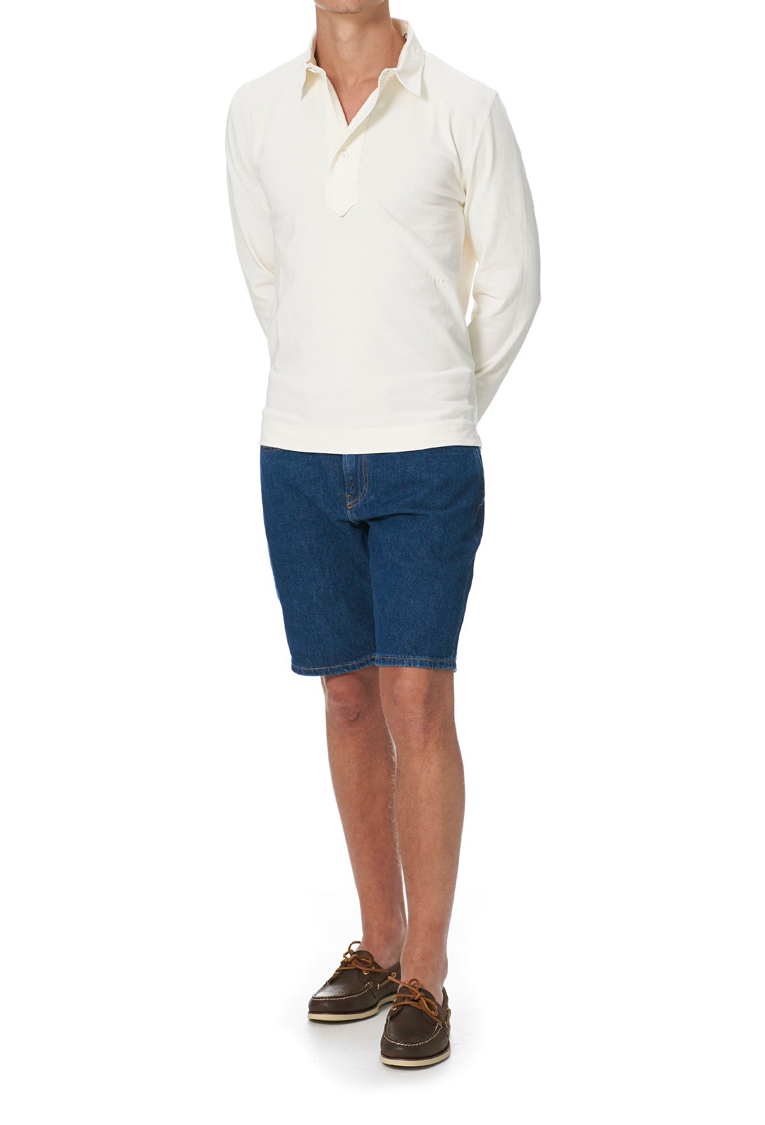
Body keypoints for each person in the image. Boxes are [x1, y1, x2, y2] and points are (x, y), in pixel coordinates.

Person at [225, 1, 540, 1069]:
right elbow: (270, 280)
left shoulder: (465, 106)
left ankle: (428, 974)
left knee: (417, 698)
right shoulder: (255, 113)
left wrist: (444, 403)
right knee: (348, 696)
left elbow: (514, 279)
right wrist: (329, 385)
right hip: (298, 450)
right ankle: (380, 939)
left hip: (427, 455)